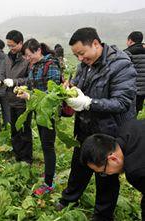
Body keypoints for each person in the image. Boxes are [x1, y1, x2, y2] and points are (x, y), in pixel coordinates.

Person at [56, 27, 137, 221]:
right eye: (76, 56)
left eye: (81, 53)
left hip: (110, 131)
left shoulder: (121, 65)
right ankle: (70, 198)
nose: (80, 59)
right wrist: (70, 89)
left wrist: (89, 103)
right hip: (85, 127)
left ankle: (102, 214)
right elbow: (78, 83)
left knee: (105, 175)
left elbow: (122, 102)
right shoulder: (85, 64)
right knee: (80, 165)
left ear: (95, 44)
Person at [18, 39, 61, 195]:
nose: (28, 59)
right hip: (39, 111)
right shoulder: (35, 65)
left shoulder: (51, 65)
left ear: (38, 51)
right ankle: (49, 171)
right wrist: (25, 90)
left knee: (48, 146)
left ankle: (49, 183)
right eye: (26, 57)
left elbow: (54, 94)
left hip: (49, 113)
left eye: (30, 56)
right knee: (44, 144)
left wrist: (30, 97)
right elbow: (32, 86)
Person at [80, 119, 145, 221]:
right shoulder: (128, 127)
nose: (107, 174)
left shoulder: (136, 171)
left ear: (113, 159)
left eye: (103, 172)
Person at [3, 30, 31, 164]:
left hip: (22, 101)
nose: (11, 49)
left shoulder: (27, 58)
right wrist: (0, 80)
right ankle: (17, 154)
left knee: (24, 131)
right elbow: (4, 73)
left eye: (13, 45)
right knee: (14, 129)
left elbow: (30, 80)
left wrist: (15, 82)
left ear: (20, 43)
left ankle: (26, 159)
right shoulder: (7, 58)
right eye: (8, 46)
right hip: (10, 100)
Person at [124, 31, 145, 115]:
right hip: (143, 87)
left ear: (130, 41)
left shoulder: (127, 53)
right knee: (139, 108)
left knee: (131, 112)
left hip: (133, 87)